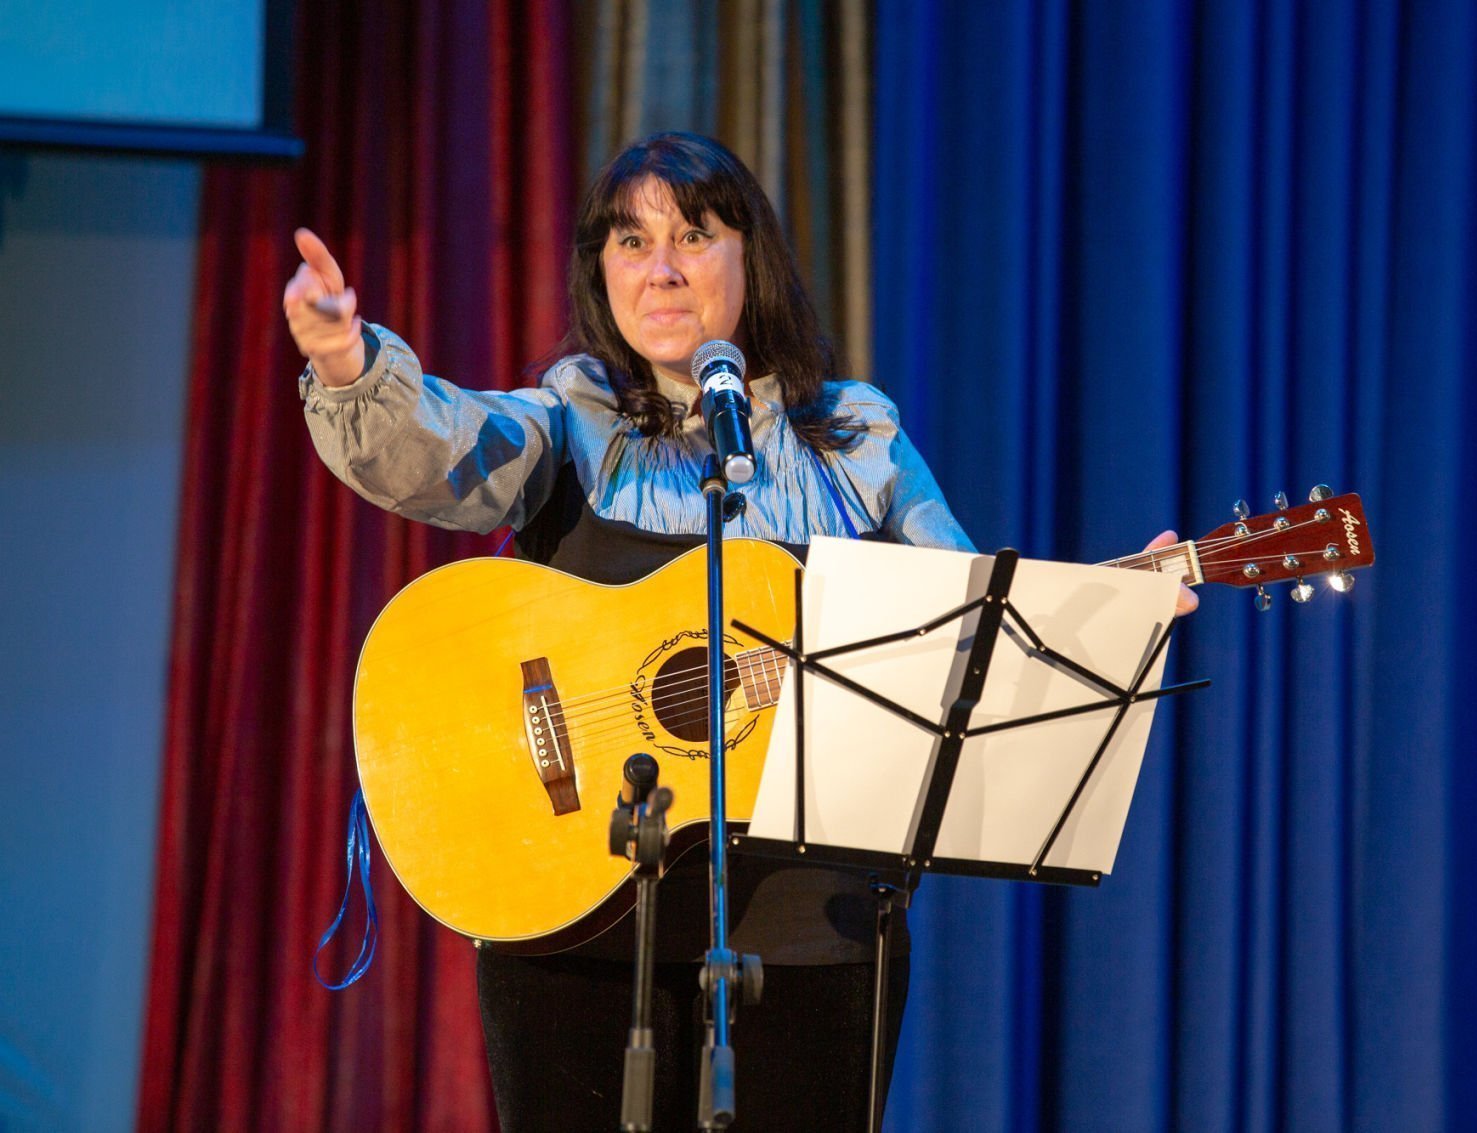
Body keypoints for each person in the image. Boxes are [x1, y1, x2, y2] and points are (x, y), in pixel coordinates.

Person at [286, 131, 1194, 1130]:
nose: (661, 269)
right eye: (631, 242)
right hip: (569, 917)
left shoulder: (856, 439)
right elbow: (446, 451)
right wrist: (346, 361)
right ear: (600, 270)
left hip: (811, 926)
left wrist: (1103, 611)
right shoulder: (575, 418)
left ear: (749, 254)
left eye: (692, 235)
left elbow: (963, 620)